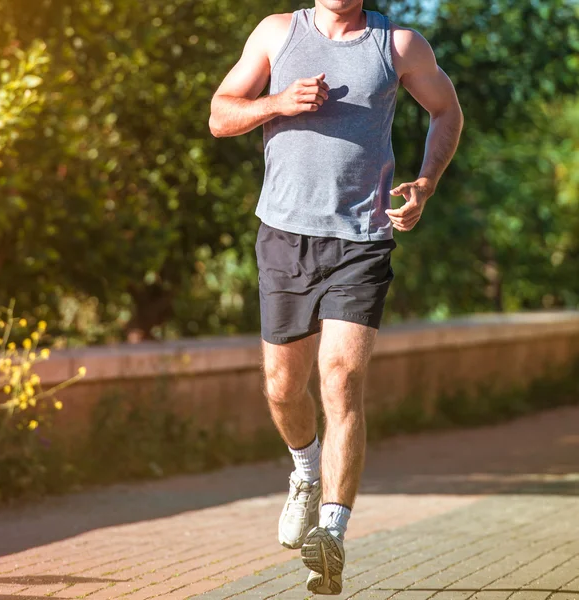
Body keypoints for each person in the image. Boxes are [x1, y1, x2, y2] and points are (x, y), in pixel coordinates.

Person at [209, 0, 463, 594]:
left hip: (361, 238)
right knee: (281, 386)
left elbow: (447, 111)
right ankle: (304, 473)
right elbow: (220, 115)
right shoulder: (277, 33)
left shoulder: (399, 46)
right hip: (285, 235)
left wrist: (425, 182)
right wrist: (278, 101)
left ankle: (332, 531)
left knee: (342, 378)